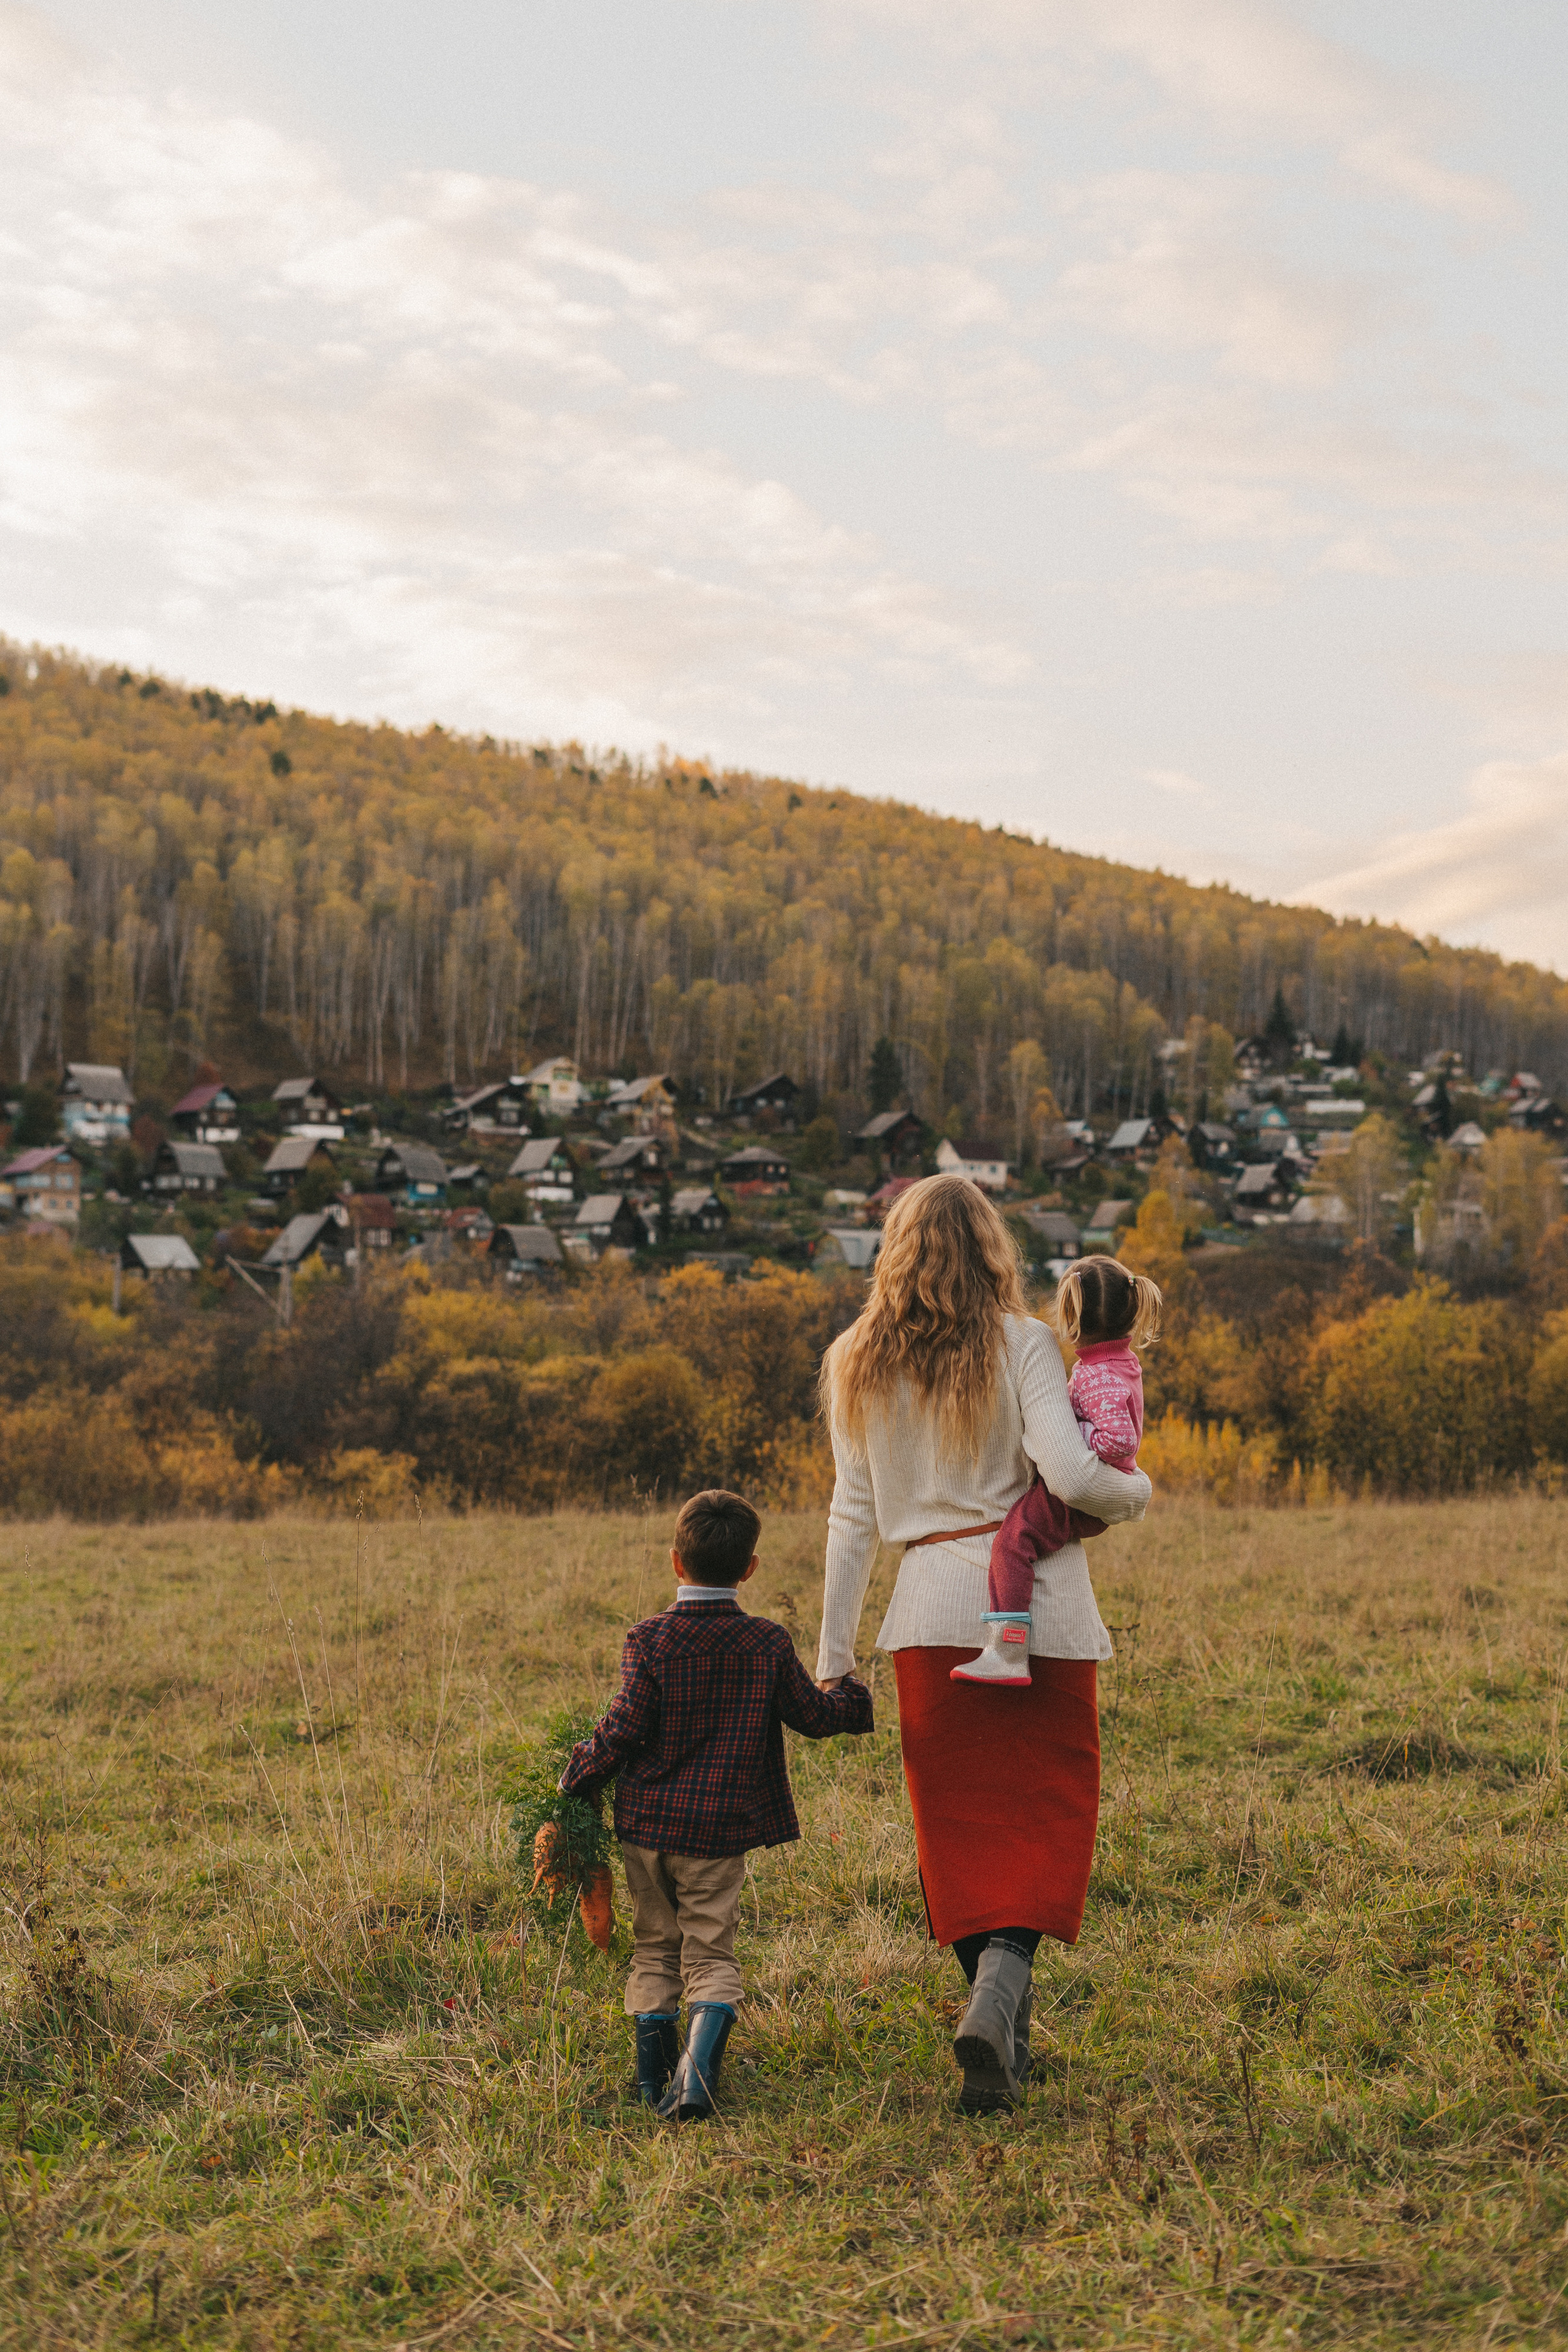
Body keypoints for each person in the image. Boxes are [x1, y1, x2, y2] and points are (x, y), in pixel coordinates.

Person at [815, 1175, 1150, 2113]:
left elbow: (850, 1519)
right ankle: (1001, 1992)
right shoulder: (1025, 1343)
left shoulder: (853, 1358)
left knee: (959, 1840)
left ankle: (999, 2032)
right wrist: (1140, 1495)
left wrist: (833, 1657)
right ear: (992, 1249)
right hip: (1037, 1608)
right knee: (1045, 1818)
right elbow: (1077, 1472)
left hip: (926, 1614)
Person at [560, 1487, 873, 2120]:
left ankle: (654, 2087)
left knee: (654, 1946)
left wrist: (574, 1780)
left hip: (645, 1826)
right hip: (718, 1831)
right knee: (709, 1952)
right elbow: (810, 1717)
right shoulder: (765, 1642)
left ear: (676, 1561)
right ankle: (695, 2081)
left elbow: (622, 1729)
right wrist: (853, 1698)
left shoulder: (648, 1639)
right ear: (750, 1567)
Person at [952, 1254, 1162, 1686]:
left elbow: (1119, 1439)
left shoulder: (1097, 1376)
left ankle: (1008, 1650)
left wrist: (1072, 1436)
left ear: (1071, 1316)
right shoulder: (1118, 1362)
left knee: (1014, 1543)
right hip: (1101, 1490)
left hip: (1081, 1495)